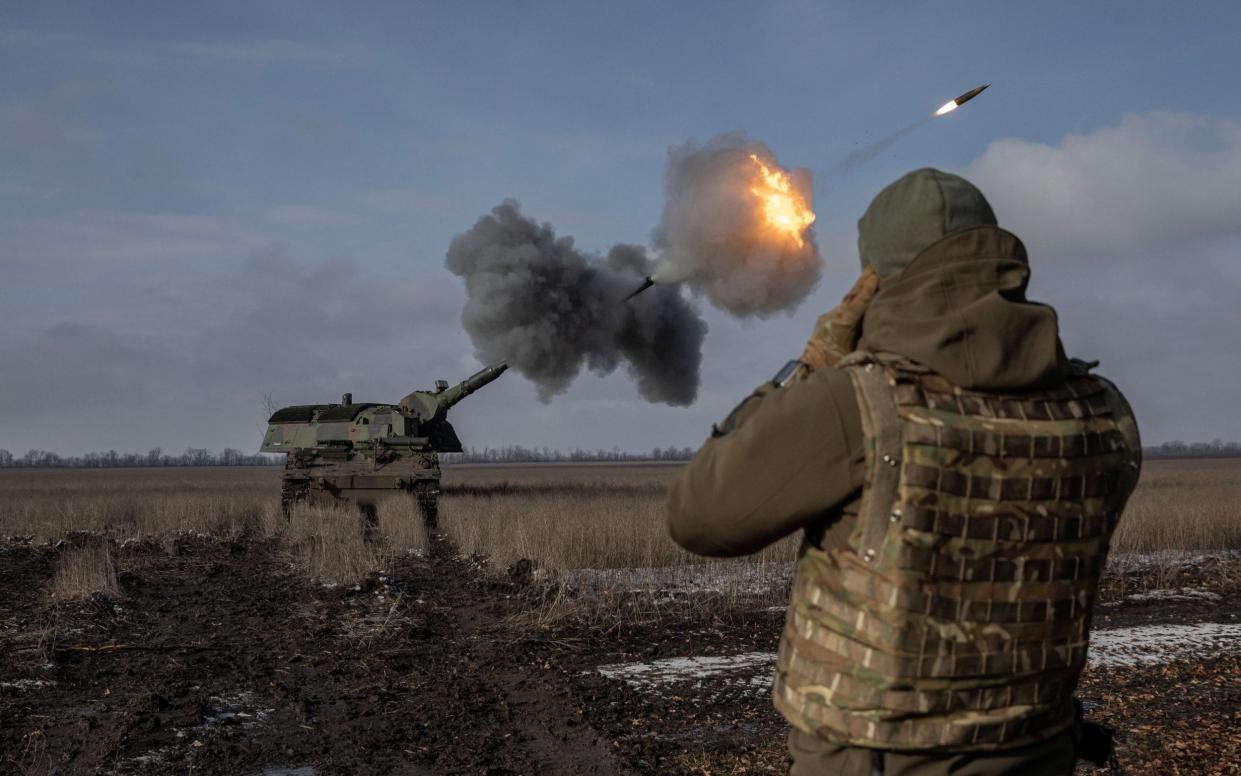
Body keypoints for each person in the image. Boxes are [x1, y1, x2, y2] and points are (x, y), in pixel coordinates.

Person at [666, 168, 1142, 775]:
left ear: (876, 280)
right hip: (1038, 751)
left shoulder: (855, 402)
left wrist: (811, 365)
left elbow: (698, 515)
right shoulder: (1100, 411)